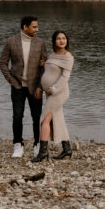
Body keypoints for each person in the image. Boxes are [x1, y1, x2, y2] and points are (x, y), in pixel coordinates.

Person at [0, 15, 47, 158]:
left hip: (35, 87)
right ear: (25, 27)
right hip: (18, 87)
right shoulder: (11, 42)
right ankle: (18, 145)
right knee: (17, 116)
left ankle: (37, 145)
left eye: (37, 27)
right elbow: (2, 63)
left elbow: (45, 66)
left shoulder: (40, 43)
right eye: (34, 27)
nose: (37, 29)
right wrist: (12, 81)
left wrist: (40, 87)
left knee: (36, 117)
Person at [32, 29, 75, 162]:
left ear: (66, 41)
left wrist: (53, 89)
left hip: (59, 93)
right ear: (54, 41)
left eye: (63, 38)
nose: (61, 41)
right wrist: (40, 86)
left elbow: (65, 78)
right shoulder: (52, 55)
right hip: (49, 93)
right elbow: (47, 72)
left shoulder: (68, 57)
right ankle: (67, 150)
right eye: (58, 39)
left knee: (44, 120)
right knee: (58, 119)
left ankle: (43, 153)